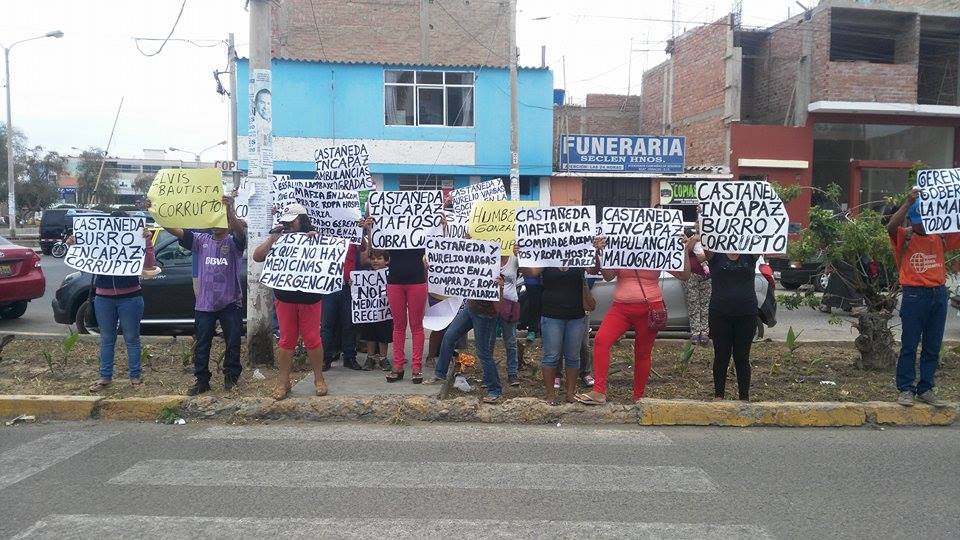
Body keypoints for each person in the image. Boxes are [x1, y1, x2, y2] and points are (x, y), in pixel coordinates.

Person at [576, 236, 693, 405]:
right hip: (621, 308)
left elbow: (684, 275)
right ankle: (599, 391)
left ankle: (639, 397)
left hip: (650, 308)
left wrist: (683, 250)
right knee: (601, 340)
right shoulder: (621, 248)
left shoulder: (658, 248)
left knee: (643, 353)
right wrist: (600, 251)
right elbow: (608, 276)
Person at [158, 196, 246, 395]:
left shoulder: (234, 244)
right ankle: (202, 381)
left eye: (219, 220)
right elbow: (176, 230)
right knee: (202, 343)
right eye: (212, 220)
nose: (215, 225)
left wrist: (229, 209)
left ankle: (231, 378)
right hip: (204, 304)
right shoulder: (200, 240)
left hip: (230, 303)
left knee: (233, 342)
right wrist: (157, 212)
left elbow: (240, 231)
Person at [887, 190, 957, 406]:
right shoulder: (904, 236)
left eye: (926, 221)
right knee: (909, 344)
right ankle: (906, 388)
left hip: (938, 294)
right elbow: (890, 227)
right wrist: (908, 202)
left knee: (932, 346)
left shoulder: (940, 235)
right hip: (914, 295)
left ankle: (926, 388)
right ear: (911, 221)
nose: (923, 226)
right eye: (918, 222)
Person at [253, 203, 328, 399]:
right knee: (286, 340)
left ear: (301, 220)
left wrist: (316, 241)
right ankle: (283, 381)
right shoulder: (278, 239)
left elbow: (328, 260)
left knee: (312, 339)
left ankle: (318, 378)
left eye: (292, 221)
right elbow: (257, 256)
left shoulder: (315, 237)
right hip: (285, 297)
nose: (289, 225)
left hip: (310, 298)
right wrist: (272, 239)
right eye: (286, 222)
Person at [85, 213, 158, 392]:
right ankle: (105, 377)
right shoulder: (99, 241)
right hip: (104, 298)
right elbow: (82, 254)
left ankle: (135, 377)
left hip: (131, 297)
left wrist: (147, 242)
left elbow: (149, 265)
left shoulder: (137, 239)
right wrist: (74, 243)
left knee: (132, 339)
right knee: (106, 339)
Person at [522, 257, 598, 405]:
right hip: (551, 315)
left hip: (576, 316)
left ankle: (570, 394)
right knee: (551, 356)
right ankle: (550, 395)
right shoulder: (547, 257)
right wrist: (522, 257)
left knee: (573, 357)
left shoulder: (580, 256)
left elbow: (594, 270)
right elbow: (531, 273)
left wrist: (594, 252)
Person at [360, 217, 427, 383]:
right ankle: (398, 367)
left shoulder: (422, 231)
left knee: (416, 326)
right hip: (395, 282)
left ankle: (416, 368)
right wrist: (370, 230)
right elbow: (376, 249)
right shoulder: (391, 230)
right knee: (398, 326)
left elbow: (438, 242)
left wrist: (442, 227)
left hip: (417, 282)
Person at [701, 238, 758, 401]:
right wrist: (703, 217)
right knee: (721, 355)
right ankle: (719, 396)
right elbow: (706, 240)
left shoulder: (750, 254)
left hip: (747, 313)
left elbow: (764, 237)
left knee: (742, 356)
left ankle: (744, 398)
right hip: (720, 314)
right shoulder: (715, 254)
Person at [321, 240, 365, 371]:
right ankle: (325, 358)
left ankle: (349, 357)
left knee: (349, 324)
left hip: (347, 287)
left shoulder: (352, 236)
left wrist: (361, 230)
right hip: (328, 286)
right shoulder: (323, 235)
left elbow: (363, 248)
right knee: (327, 325)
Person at [357, 244, 393, 371]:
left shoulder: (391, 275)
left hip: (385, 311)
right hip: (369, 311)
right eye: (373, 259)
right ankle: (370, 357)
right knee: (369, 333)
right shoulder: (365, 275)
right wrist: (353, 283)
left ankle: (383, 358)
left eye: (379, 258)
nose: (375, 261)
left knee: (384, 334)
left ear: (387, 261)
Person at [684, 232, 712, 346]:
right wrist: (694, 240)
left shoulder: (710, 239)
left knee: (705, 305)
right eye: (697, 226)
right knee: (693, 304)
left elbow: (708, 256)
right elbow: (686, 251)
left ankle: (705, 332)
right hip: (691, 276)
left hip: (707, 276)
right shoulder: (691, 238)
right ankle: (695, 332)